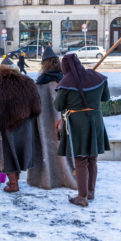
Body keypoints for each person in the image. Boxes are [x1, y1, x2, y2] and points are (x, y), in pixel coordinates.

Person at [54, 54, 110, 207]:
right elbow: (106, 97)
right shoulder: (97, 77)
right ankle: (90, 192)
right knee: (92, 158)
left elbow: (58, 105)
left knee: (81, 159)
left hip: (78, 123)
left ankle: (82, 197)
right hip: (96, 120)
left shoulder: (66, 82)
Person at [0, 57, 41, 193]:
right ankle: (14, 181)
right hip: (25, 125)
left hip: (6, 127)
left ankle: (13, 184)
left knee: (8, 155)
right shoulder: (28, 82)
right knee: (20, 153)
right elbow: (37, 106)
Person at [27, 47, 77, 190]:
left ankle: (49, 179)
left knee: (46, 150)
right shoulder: (64, 81)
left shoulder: (40, 83)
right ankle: (66, 177)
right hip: (63, 121)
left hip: (43, 123)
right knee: (63, 149)